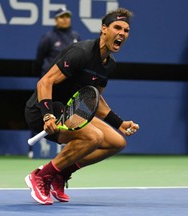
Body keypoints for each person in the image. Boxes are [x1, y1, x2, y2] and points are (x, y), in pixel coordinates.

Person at [24, 8, 139, 205]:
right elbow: (45, 82)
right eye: (117, 27)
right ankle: (42, 176)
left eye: (126, 30)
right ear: (104, 29)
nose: (122, 33)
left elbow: (94, 100)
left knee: (116, 142)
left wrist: (118, 123)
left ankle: (61, 173)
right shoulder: (81, 52)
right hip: (43, 109)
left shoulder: (109, 65)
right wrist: (47, 116)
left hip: (71, 111)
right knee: (94, 137)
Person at [28, 7, 81, 158]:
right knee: (43, 112)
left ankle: (67, 147)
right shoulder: (48, 37)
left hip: (68, 85)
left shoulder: (75, 36)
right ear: (56, 20)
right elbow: (39, 60)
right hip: (50, 84)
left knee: (66, 114)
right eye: (61, 17)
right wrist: (43, 79)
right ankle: (34, 149)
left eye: (67, 16)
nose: (65, 19)